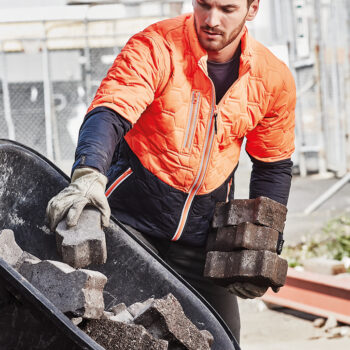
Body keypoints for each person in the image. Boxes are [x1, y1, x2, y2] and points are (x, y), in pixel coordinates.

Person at [47, 0, 296, 343]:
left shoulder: (272, 78)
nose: (211, 19)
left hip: (203, 235)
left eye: (227, 9)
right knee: (113, 333)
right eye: (204, 5)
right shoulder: (155, 46)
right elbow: (110, 111)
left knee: (223, 340)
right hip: (131, 223)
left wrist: (265, 243)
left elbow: (273, 164)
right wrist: (88, 174)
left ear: (252, 9)